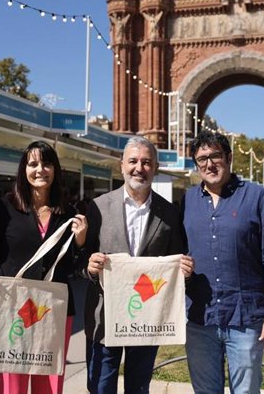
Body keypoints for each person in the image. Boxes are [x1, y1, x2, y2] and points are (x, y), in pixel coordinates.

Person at [83, 136, 194, 394]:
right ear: (121, 165)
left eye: (146, 162)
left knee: (138, 387)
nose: (139, 168)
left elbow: (176, 260)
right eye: (133, 161)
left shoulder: (168, 213)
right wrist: (89, 267)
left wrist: (184, 273)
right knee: (100, 386)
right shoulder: (98, 207)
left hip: (147, 316)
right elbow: (81, 259)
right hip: (105, 316)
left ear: (155, 168)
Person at [181, 131, 264, 394]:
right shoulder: (186, 201)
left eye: (215, 156)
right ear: (196, 165)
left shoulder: (256, 197)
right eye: (202, 159)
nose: (209, 164)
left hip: (246, 317)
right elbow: (173, 251)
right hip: (199, 319)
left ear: (229, 157)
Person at [0, 141, 88, 394]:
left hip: (53, 307)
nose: (40, 169)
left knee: (48, 382)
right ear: (24, 170)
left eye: (47, 163)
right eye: (33, 164)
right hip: (13, 305)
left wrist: (82, 240)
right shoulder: (6, 207)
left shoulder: (68, 212)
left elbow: (76, 265)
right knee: (12, 381)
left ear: (55, 170)